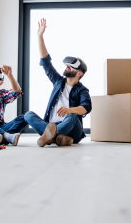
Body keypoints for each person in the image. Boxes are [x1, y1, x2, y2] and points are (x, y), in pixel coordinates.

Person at [24, 19, 92, 147]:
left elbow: (86, 108)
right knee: (28, 115)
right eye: (67, 65)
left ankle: (49, 136)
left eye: (71, 66)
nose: (67, 67)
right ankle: (58, 138)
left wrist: (69, 110)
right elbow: (46, 63)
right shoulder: (58, 81)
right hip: (51, 124)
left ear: (79, 74)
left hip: (72, 128)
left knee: (72, 116)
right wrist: (40, 36)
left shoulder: (82, 90)